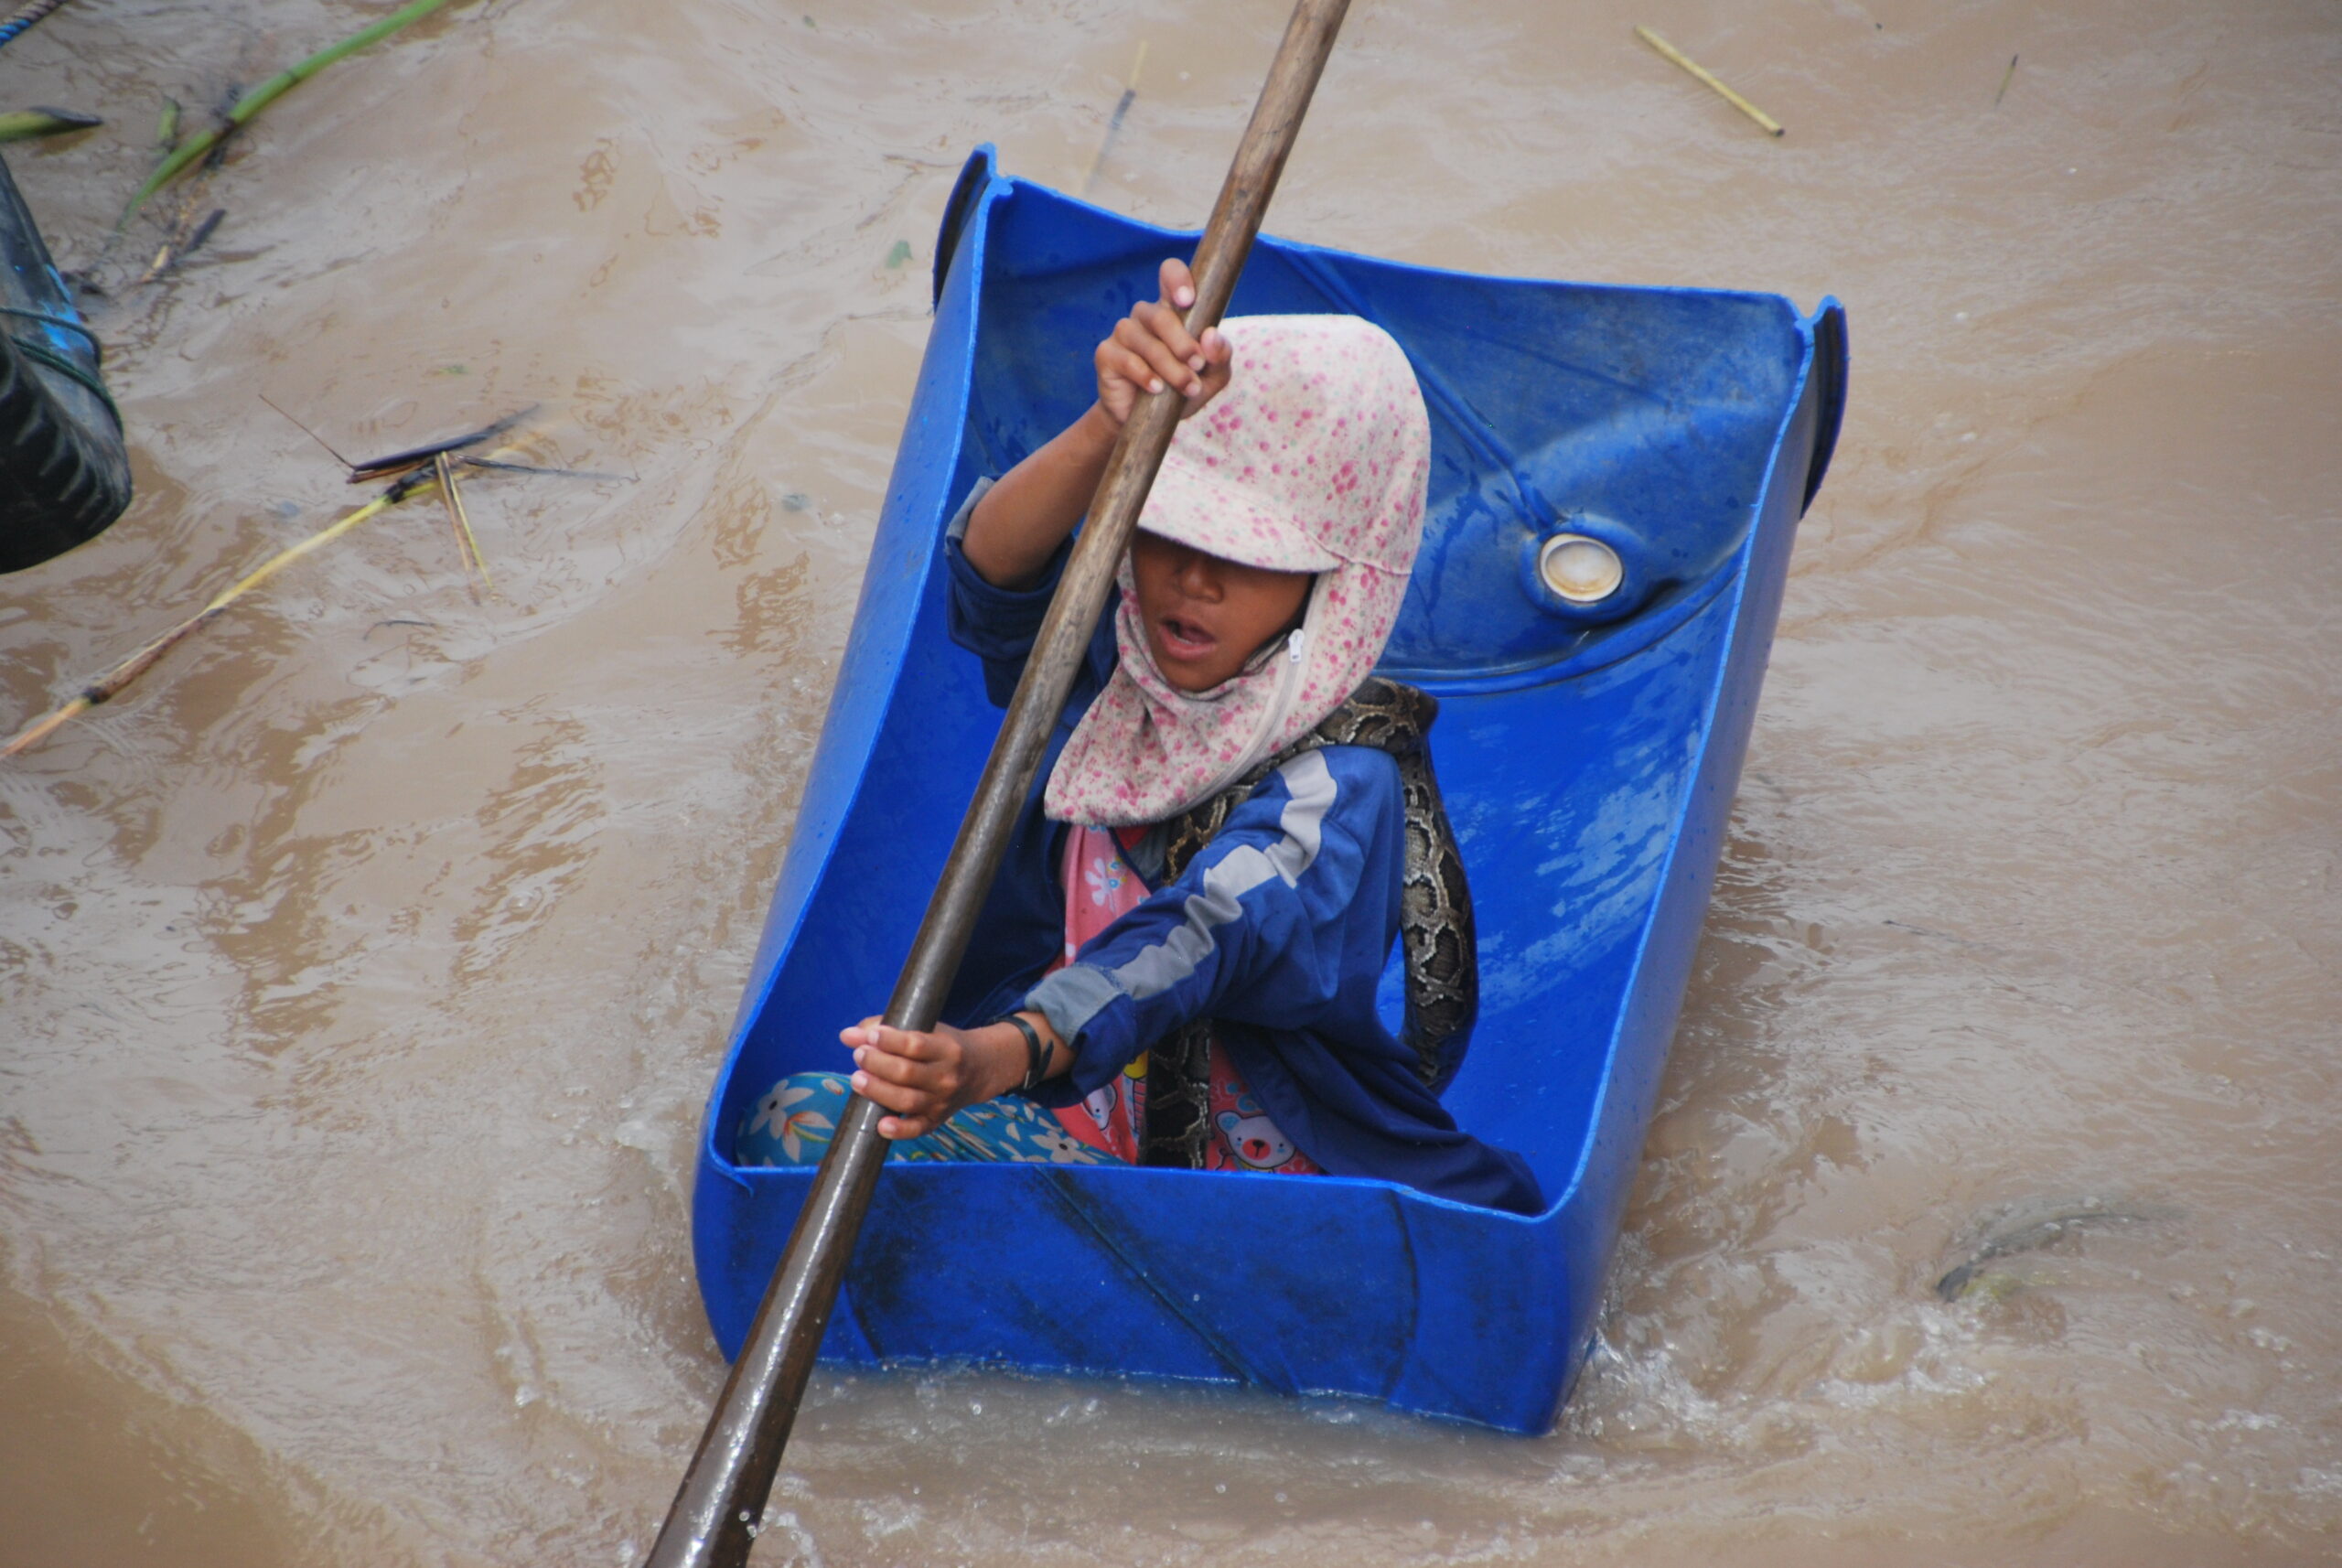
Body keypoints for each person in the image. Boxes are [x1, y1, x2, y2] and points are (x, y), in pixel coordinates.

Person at [736, 259, 1542, 1215]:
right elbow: (992, 579)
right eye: (1167, 534)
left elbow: (1202, 930)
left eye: (1244, 557)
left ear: (1322, 579)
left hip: (1266, 1191)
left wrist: (1003, 1054)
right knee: (796, 1126)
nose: (1190, 582)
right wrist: (1110, 428)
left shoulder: (1344, 781)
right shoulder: (1107, 677)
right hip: (1074, 1134)